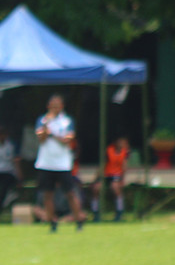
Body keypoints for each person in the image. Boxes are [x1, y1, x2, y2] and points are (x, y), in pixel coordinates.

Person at [34, 94, 86, 232]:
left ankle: (78, 220)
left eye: (57, 105)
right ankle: (52, 222)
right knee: (47, 194)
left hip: (62, 164)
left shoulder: (67, 121)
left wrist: (53, 134)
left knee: (70, 193)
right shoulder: (43, 120)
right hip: (46, 163)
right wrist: (46, 126)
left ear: (62, 107)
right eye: (53, 105)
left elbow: (67, 140)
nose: (55, 108)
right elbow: (41, 139)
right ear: (48, 106)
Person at [90, 136, 130, 222]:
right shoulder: (109, 150)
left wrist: (122, 180)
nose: (122, 144)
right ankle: (95, 212)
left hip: (116, 175)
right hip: (106, 174)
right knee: (96, 188)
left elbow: (124, 167)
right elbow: (102, 164)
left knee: (115, 187)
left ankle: (119, 212)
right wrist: (96, 179)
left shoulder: (124, 152)